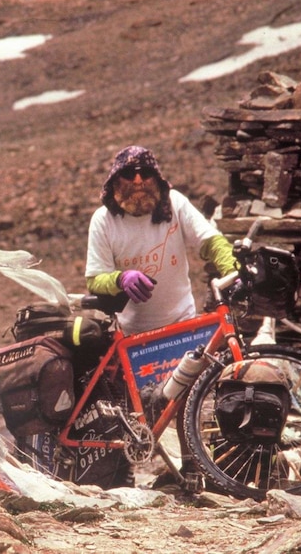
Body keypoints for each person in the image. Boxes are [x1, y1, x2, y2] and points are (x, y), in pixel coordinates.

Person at [84, 145, 236, 488]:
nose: (138, 181)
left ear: (157, 179)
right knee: (132, 407)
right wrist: (120, 279)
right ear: (114, 182)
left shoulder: (175, 205)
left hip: (180, 321)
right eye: (129, 174)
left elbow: (209, 241)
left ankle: (192, 467)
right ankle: (120, 473)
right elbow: (95, 278)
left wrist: (231, 269)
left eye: (146, 173)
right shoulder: (104, 221)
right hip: (133, 332)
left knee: (187, 401)